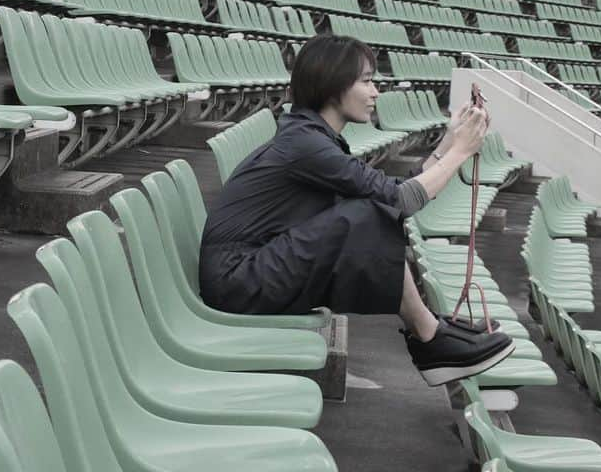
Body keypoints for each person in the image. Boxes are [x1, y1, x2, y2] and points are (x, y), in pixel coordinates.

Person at [200, 34, 514, 386]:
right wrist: (460, 152)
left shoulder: (311, 137)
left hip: (250, 271)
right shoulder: (306, 145)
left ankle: (429, 334)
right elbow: (400, 200)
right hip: (238, 282)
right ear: (333, 85)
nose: (375, 91)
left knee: (370, 209)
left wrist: (449, 141)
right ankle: (428, 337)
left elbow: (392, 195)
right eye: (366, 81)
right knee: (368, 214)